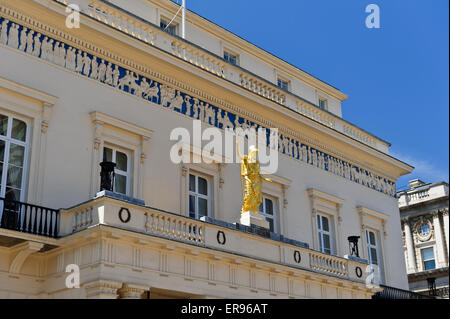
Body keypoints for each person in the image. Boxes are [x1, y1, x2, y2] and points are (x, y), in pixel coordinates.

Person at [236, 141, 272, 214]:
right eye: (254, 152)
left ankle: (254, 210)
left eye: (255, 152)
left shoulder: (256, 162)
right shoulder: (246, 158)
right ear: (251, 152)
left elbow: (258, 173)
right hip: (249, 179)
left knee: (256, 196)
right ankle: (246, 208)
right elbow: (240, 156)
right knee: (249, 194)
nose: (255, 154)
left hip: (257, 180)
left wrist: (265, 179)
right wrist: (237, 146)